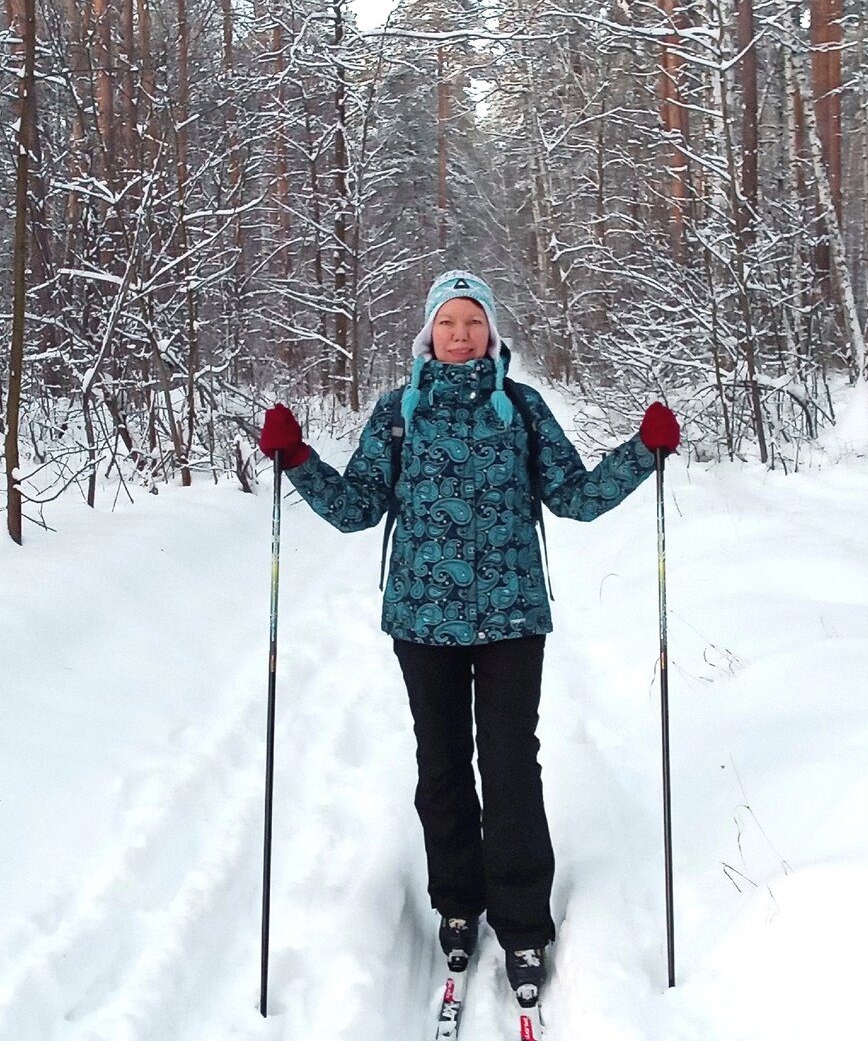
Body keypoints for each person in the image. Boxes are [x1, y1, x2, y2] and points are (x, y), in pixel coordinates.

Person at [258, 270, 679, 1006]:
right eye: (448, 322)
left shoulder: (521, 408)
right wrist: (297, 460)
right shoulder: (399, 414)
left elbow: (573, 497)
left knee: (512, 768)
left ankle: (523, 926)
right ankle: (458, 901)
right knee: (444, 764)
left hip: (514, 617)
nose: (461, 335)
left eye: (473, 322)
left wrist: (642, 452)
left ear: (491, 332)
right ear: (428, 333)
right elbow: (358, 507)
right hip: (423, 622)